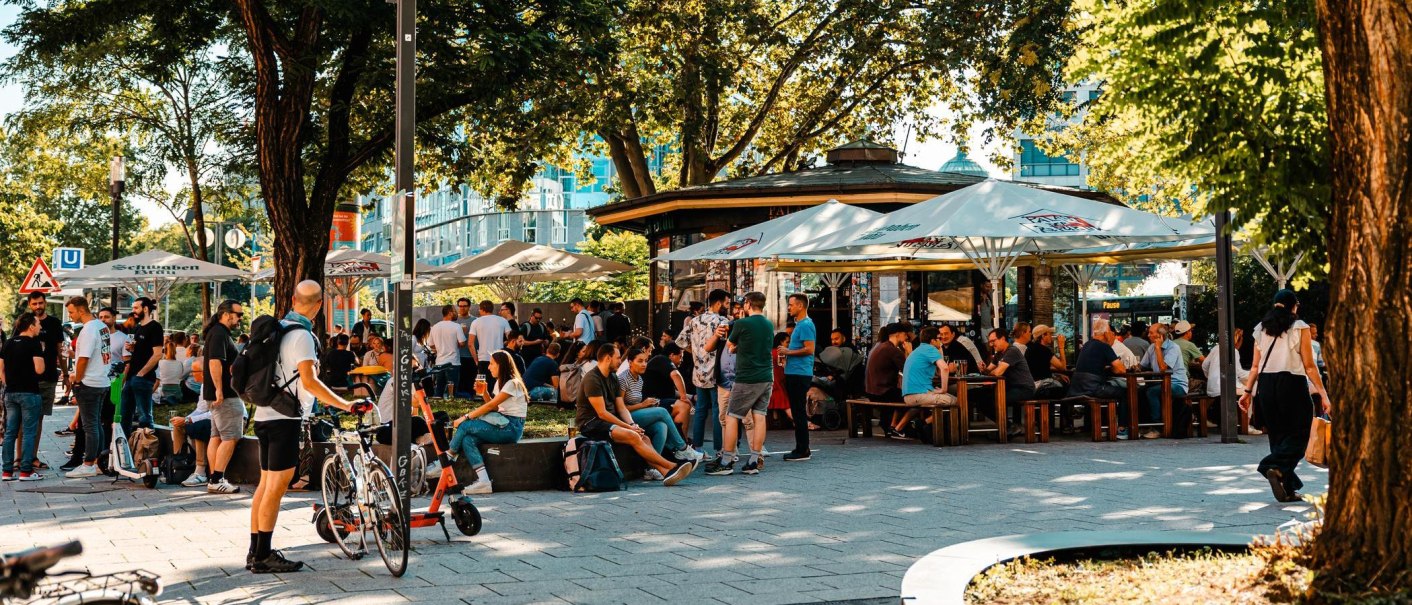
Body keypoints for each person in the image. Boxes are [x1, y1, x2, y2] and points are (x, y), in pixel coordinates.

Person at [248, 280, 369, 574]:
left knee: (265, 486)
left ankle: (255, 551)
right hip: (284, 420)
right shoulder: (301, 336)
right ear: (317, 306)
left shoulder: (278, 328)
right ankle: (263, 556)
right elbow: (310, 381)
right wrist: (345, 404)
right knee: (276, 488)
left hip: (264, 415)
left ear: (292, 298)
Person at [1240, 289, 1329, 503]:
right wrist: (1324, 394)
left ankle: (1287, 488)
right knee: (1301, 432)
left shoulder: (1260, 329)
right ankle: (1271, 466)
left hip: (1266, 386)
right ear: (1294, 306)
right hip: (1292, 383)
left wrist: (1247, 392)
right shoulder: (1300, 327)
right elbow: (1309, 365)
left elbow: (1254, 366)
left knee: (1278, 436)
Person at [576, 343, 695, 485]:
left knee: (644, 438)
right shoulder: (592, 379)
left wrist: (632, 424)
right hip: (592, 424)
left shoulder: (613, 377)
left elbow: (621, 408)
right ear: (608, 358)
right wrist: (629, 427)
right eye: (618, 358)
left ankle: (665, 473)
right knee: (633, 435)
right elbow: (601, 413)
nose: (621, 361)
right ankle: (672, 466)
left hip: (609, 422)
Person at [706, 291, 773, 476]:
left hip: (746, 377)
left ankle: (726, 461)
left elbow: (730, 346)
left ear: (749, 304)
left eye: (744, 302)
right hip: (766, 376)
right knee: (759, 416)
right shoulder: (768, 324)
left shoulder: (742, 323)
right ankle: (753, 460)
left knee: (732, 416)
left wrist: (736, 347)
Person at [449, 350, 529, 495]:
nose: (489, 367)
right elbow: (497, 407)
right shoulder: (500, 383)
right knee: (468, 439)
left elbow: (491, 407)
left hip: (511, 427)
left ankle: (447, 458)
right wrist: (484, 393)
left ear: (501, 365)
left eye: (492, 364)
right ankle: (484, 481)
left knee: (466, 425)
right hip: (503, 423)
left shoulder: (513, 383)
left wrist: (465, 417)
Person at [617, 347, 702, 477]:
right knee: (662, 412)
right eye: (640, 361)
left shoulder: (639, 379)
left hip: (638, 413)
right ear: (630, 362)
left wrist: (649, 404)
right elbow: (621, 408)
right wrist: (643, 405)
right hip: (626, 418)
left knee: (661, 426)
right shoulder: (623, 379)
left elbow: (639, 403)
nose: (644, 364)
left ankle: (650, 468)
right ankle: (682, 448)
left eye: (645, 361)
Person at [61, 298, 110, 479]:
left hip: (90, 382)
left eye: (72, 312)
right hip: (101, 380)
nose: (70, 316)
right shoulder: (101, 326)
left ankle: (89, 463)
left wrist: (77, 380)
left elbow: (84, 358)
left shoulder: (88, 329)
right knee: (96, 423)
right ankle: (99, 462)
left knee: (89, 425)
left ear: (81, 310)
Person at [677, 290, 729, 455]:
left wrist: (695, 353)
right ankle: (719, 449)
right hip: (716, 371)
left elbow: (680, 341)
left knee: (700, 410)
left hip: (698, 371)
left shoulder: (695, 320)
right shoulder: (723, 321)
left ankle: (698, 448)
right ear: (719, 303)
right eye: (727, 303)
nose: (728, 306)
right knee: (717, 410)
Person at [203, 300, 246, 495]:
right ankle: (216, 478)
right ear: (227, 314)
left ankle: (214, 477)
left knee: (217, 436)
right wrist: (220, 389)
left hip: (218, 394)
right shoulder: (219, 333)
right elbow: (215, 363)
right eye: (239, 314)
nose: (240, 319)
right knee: (230, 437)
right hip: (225, 395)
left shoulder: (217, 332)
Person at [1, 313, 47, 481]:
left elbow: (1, 369)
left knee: (10, 432)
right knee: (28, 432)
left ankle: (6, 471)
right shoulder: (34, 344)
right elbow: (40, 370)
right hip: (29, 392)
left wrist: (10, 384)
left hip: (11, 393)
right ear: (31, 326)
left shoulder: (8, 343)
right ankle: (26, 472)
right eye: (38, 324)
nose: (40, 327)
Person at [897, 326, 957, 439]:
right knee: (955, 401)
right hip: (918, 394)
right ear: (932, 341)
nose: (941, 341)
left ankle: (926, 425)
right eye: (939, 338)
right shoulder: (930, 349)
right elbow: (944, 369)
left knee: (947, 400)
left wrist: (940, 351)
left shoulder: (918, 350)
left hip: (909, 394)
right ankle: (924, 423)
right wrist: (944, 389)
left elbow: (939, 373)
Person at [1130, 323, 1188, 440]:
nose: (1148, 335)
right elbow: (1142, 365)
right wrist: (1135, 367)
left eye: (1152, 333)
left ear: (1160, 335)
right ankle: (1141, 425)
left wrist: (1158, 348)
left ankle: (1158, 427)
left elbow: (1163, 369)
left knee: (1152, 392)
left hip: (1177, 384)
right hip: (1159, 383)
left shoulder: (1173, 348)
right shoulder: (1151, 347)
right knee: (1137, 392)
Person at [27, 292, 64, 467]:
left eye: (40, 303)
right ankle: (20, 457)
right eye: (34, 304)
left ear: (45, 303)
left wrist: (64, 373)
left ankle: (33, 456)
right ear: (29, 305)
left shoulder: (54, 323)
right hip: (26, 378)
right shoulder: (25, 321)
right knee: (23, 419)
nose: (38, 306)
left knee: (39, 418)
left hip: (48, 376)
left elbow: (59, 350)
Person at [781, 293, 816, 462]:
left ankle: (803, 449)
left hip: (800, 373)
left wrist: (789, 352)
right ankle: (800, 447)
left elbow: (809, 349)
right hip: (794, 371)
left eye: (791, 305)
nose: (789, 308)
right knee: (796, 411)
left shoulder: (806, 325)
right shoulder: (799, 325)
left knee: (798, 412)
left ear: (800, 306)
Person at [985, 325, 1037, 436]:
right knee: (981, 399)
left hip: (1024, 388)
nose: (991, 344)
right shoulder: (999, 354)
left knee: (993, 400)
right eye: (990, 342)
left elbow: (998, 372)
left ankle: (1009, 427)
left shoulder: (1012, 351)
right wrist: (983, 369)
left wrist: (992, 371)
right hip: (1010, 388)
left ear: (1003, 338)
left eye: (993, 341)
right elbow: (988, 370)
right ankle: (1008, 426)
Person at [122, 297, 164, 433]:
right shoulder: (138, 328)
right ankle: (125, 448)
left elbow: (158, 354)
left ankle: (147, 448)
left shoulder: (155, 327)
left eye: (136, 308)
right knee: (124, 415)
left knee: (145, 416)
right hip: (131, 376)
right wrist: (132, 348)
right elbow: (143, 350)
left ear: (145, 309)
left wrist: (142, 373)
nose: (133, 311)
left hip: (143, 377)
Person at [865, 323, 912, 439]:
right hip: (882, 391)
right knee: (911, 399)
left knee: (901, 394)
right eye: (905, 334)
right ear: (897, 334)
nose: (906, 338)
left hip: (871, 390)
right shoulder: (892, 350)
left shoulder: (880, 346)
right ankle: (896, 427)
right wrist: (909, 352)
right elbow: (909, 369)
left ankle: (892, 425)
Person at [1069, 319, 1128, 401]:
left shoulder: (1087, 344)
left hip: (1077, 388)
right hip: (1093, 388)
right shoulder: (1104, 346)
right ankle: (1122, 414)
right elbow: (1121, 370)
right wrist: (1110, 343)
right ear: (1106, 333)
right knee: (1126, 392)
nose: (1112, 334)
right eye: (1110, 332)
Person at [170, 398, 212, 487]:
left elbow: (217, 413)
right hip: (210, 419)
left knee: (199, 427)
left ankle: (200, 473)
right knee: (178, 426)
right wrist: (183, 420)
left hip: (226, 419)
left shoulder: (220, 385)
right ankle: (178, 468)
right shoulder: (204, 385)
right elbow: (200, 410)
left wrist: (188, 419)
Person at [428, 305, 468, 398]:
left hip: (439, 362)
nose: (456, 313)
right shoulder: (457, 326)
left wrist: (440, 348)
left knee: (439, 389)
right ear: (450, 313)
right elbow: (462, 343)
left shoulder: (435, 327)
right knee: (452, 390)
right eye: (454, 311)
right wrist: (464, 332)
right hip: (453, 362)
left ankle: (437, 408)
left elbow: (431, 344)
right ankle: (451, 407)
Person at [469, 300, 511, 382]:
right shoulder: (502, 320)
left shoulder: (476, 322)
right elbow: (511, 338)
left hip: (483, 358)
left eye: (479, 309)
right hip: (499, 357)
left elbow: (470, 343)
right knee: (498, 384)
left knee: (483, 386)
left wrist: (475, 359)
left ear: (482, 309)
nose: (479, 311)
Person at [1202, 328, 1251, 398]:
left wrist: (1210, 377)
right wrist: (1253, 374)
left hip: (1211, 389)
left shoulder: (1215, 348)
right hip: (1225, 389)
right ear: (1238, 341)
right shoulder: (1234, 351)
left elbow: (1204, 365)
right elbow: (1240, 373)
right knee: (1250, 390)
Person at [1027, 325, 1068, 398]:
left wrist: (1055, 375)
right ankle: (1065, 409)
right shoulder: (1044, 350)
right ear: (1043, 335)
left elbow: (1040, 369)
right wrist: (1061, 347)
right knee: (1066, 386)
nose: (1051, 336)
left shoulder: (1030, 349)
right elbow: (1063, 367)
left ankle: (1049, 409)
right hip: (1043, 386)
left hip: (1031, 385)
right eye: (1049, 334)